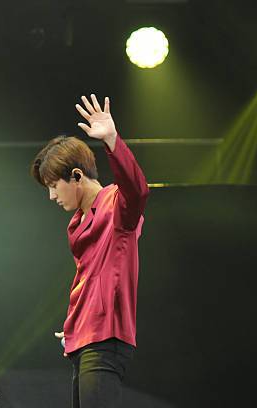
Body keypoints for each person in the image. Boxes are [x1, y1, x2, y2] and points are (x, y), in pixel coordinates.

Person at [31, 94, 150, 408]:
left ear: (76, 177)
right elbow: (89, 281)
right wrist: (74, 324)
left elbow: (137, 191)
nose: (51, 196)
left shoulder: (115, 206)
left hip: (104, 339)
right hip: (84, 339)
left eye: (53, 186)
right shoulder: (78, 224)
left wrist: (112, 140)